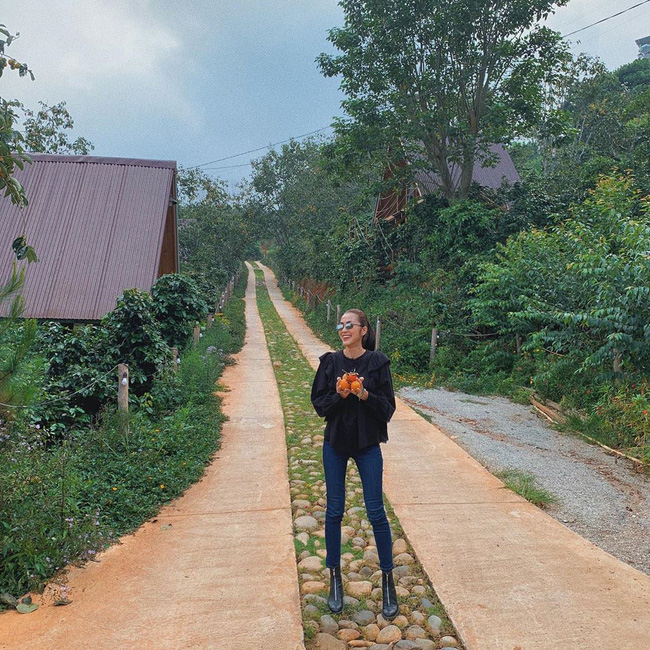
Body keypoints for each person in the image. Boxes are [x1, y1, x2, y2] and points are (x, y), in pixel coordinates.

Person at [311, 308, 398, 620]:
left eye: (350, 324)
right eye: (341, 324)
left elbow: (388, 409)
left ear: (363, 330)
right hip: (335, 444)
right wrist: (340, 394)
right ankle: (335, 578)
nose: (344, 329)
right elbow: (320, 405)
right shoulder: (330, 363)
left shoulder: (377, 362)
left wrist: (363, 394)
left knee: (376, 512)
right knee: (334, 511)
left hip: (367, 445)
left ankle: (388, 581)